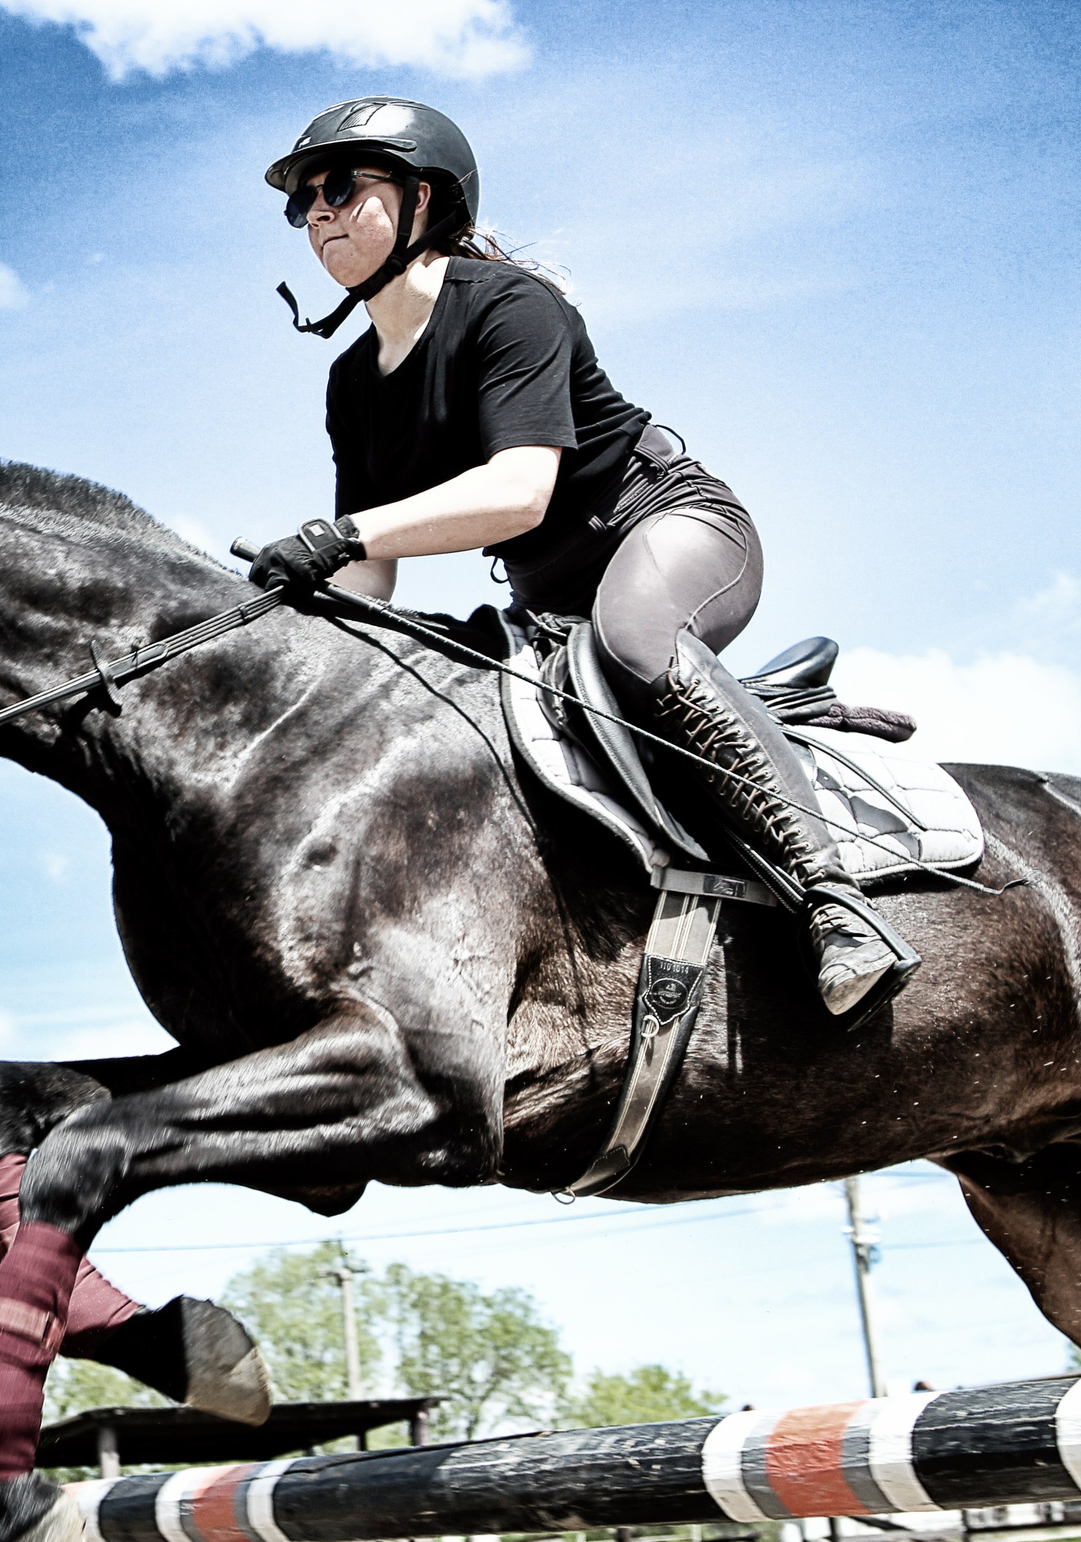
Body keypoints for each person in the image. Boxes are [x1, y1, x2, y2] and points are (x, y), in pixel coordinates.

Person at [244, 97, 911, 1018]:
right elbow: (371, 581)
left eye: (341, 187)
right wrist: (297, 617)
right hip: (552, 606)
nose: (315, 212)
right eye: (300, 202)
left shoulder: (513, 308)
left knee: (635, 638)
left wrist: (344, 534)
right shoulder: (351, 382)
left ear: (424, 198)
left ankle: (836, 901)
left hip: (674, 527)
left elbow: (519, 491)